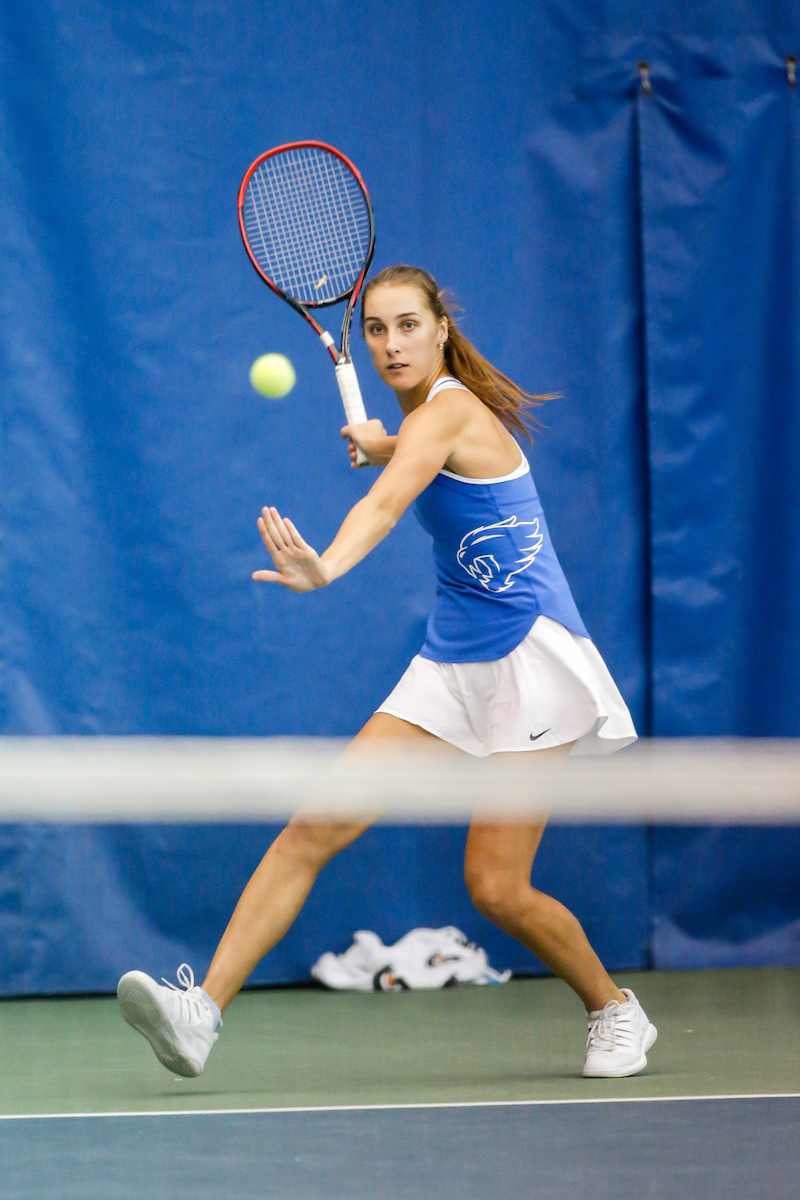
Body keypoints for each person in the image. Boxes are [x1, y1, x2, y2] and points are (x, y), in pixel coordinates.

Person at [117, 264, 656, 1081]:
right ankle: (202, 1014)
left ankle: (616, 1010)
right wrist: (384, 438)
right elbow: (403, 453)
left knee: (497, 888)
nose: (391, 343)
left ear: (442, 328)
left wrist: (325, 566)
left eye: (408, 325)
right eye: (376, 329)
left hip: (533, 661)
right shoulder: (419, 422)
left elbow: (390, 499)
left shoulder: (452, 410)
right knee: (314, 826)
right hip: (452, 661)